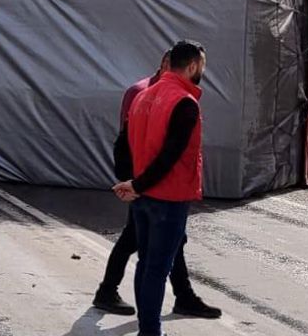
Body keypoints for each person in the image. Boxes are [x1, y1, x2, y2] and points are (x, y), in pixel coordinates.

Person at [94, 51, 221, 320]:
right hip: (154, 186)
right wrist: (133, 182)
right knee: (147, 253)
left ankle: (181, 297)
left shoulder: (145, 93)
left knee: (166, 246)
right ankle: (143, 321)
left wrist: (134, 182)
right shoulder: (155, 95)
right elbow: (137, 144)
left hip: (145, 184)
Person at [114, 40, 208, 336]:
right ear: (193, 66)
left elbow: (123, 145)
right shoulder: (185, 103)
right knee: (157, 268)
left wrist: (130, 182)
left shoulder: (143, 96)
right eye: (202, 66)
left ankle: (147, 330)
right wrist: (138, 184)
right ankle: (150, 335)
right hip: (167, 197)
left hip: (144, 197)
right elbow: (170, 156)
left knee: (145, 264)